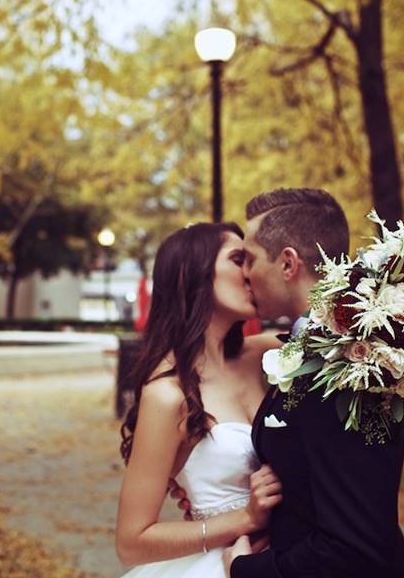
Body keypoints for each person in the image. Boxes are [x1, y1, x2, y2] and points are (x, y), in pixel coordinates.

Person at [174, 189, 404, 578]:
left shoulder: (350, 365)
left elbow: (354, 544)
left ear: (288, 263)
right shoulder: (309, 348)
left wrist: (246, 570)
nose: (245, 273)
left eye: (250, 259)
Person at [115, 222, 285, 578]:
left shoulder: (269, 356)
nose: (250, 272)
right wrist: (244, 518)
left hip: (293, 557)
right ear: (194, 274)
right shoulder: (168, 394)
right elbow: (131, 541)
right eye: (238, 259)